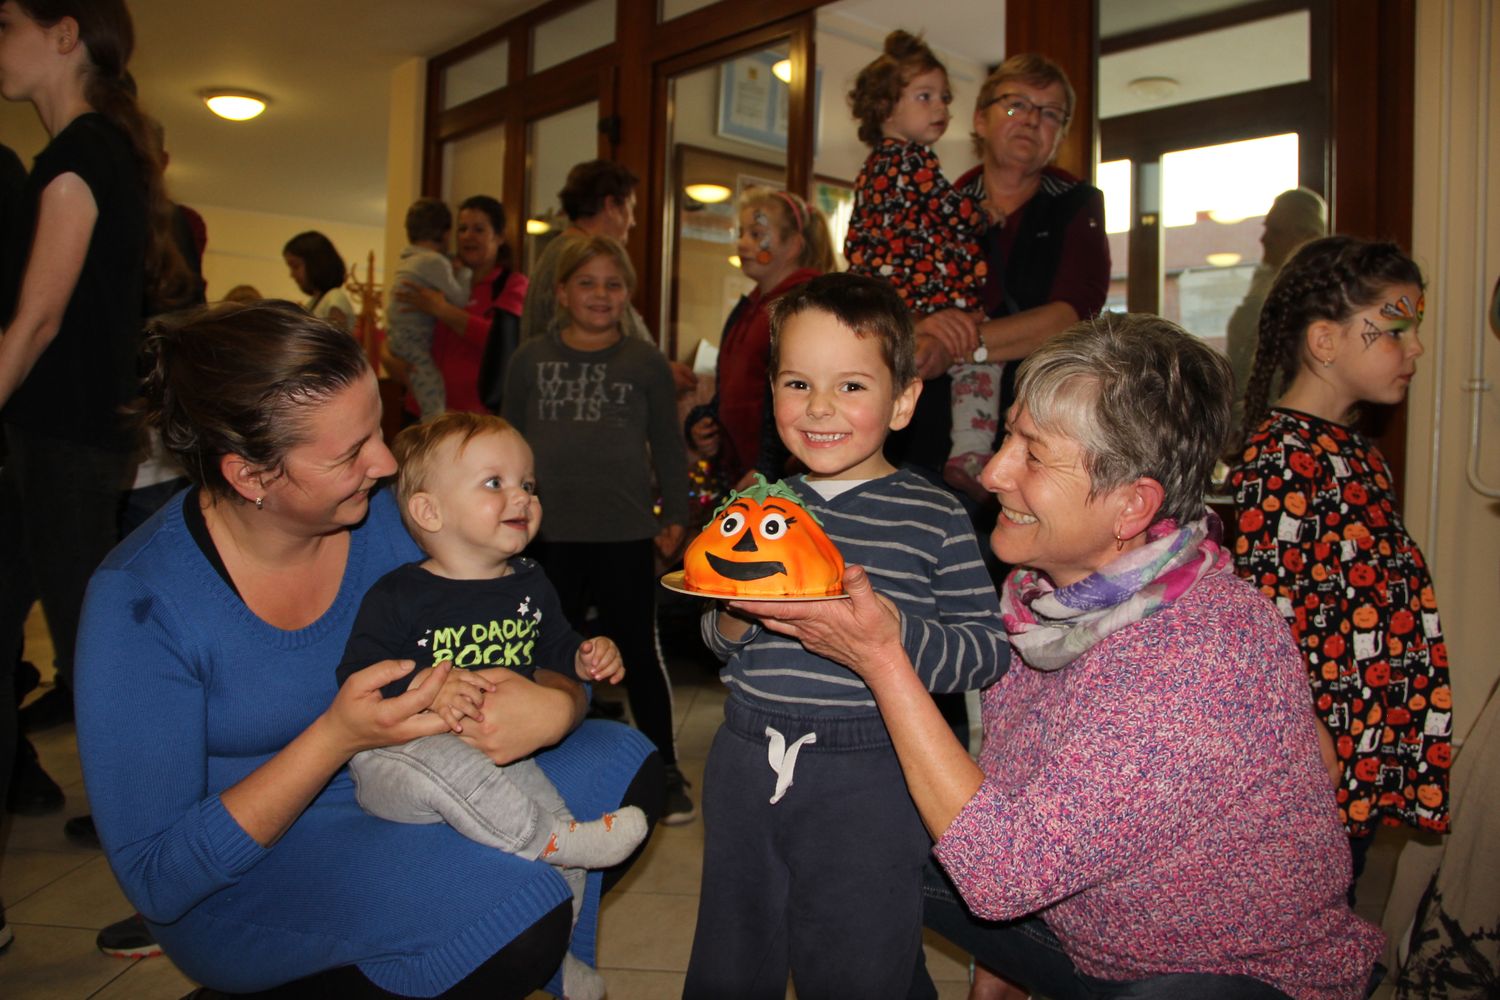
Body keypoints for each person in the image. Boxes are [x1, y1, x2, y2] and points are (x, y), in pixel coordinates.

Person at [739, 313, 1384, 999]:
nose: (993, 472)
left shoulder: (1195, 657)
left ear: (1132, 505)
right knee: (854, 828)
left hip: (1230, 973)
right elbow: (1003, 799)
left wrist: (882, 658)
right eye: (1007, 436)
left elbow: (1002, 872)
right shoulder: (1046, 598)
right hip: (1086, 938)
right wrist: (1001, 976)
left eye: (1034, 456)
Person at [74, 301, 660, 997]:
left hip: (422, 788)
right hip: (249, 875)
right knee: (514, 916)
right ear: (250, 476)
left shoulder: (393, 517)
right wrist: (336, 737)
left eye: (378, 429)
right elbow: (157, 877)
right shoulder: (141, 603)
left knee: (624, 764)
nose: (385, 463)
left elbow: (530, 626)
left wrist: (560, 703)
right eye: (351, 453)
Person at [682, 273, 1009, 1000]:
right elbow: (716, 639)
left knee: (860, 957)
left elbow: (985, 651)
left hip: (873, 769)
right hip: (745, 753)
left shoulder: (935, 516)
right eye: (797, 383)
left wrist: (896, 634)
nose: (820, 407)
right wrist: (734, 615)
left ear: (903, 401)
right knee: (733, 951)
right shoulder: (757, 505)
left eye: (851, 386)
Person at [336, 412, 647, 1000]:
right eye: (494, 483)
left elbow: (554, 649)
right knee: (563, 834)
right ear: (429, 512)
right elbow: (357, 679)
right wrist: (428, 686)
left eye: (528, 484)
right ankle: (552, 839)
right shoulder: (399, 594)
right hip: (398, 762)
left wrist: (585, 657)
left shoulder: (530, 582)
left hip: (496, 761)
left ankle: (556, 956)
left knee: (565, 837)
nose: (522, 497)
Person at [2, 0, 189, 799]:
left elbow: (37, 321)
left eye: (6, 25)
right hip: (66, 434)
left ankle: (173, 830)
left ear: (64, 33)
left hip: (62, 435)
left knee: (94, 656)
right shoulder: (96, 149)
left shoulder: (80, 153)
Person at [1231, 236, 1450, 888]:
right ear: (1324, 340)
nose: (1415, 348)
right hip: (1322, 738)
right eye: (1395, 330)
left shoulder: (1358, 454)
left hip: (1365, 725)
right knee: (1309, 898)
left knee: (1343, 885)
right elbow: (1265, 613)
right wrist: (1308, 730)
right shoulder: (1281, 457)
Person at [502, 236, 695, 825]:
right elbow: (505, 445)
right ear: (561, 292)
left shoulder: (645, 362)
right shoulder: (529, 360)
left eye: (613, 284)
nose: (601, 294)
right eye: (587, 282)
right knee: (546, 651)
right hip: (545, 536)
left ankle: (664, 766)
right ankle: (541, 763)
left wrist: (676, 515)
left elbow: (668, 444)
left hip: (624, 532)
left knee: (637, 648)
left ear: (627, 294)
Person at [891, 53, 1109, 504]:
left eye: (1050, 113)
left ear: (1061, 133)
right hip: (928, 434)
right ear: (980, 119)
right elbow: (898, 298)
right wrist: (923, 327)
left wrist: (957, 343)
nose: (1031, 120)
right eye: (1016, 105)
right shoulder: (940, 202)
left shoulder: (1075, 204)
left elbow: (1072, 317)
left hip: (1036, 438)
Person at [845, 30, 998, 494]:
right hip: (926, 290)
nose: (940, 109)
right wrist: (983, 213)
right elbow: (951, 210)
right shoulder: (915, 161)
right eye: (925, 96)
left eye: (945, 98)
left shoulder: (872, 168)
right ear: (886, 108)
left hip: (892, 292)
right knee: (978, 362)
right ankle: (970, 452)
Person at [686, 187, 834, 489]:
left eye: (756, 234)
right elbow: (730, 389)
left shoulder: (804, 306)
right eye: (741, 233)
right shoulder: (748, 309)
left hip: (782, 478)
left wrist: (767, 467)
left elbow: (799, 392)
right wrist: (704, 420)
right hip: (742, 471)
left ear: (793, 245)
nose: (742, 243)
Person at [395, 194, 528, 415]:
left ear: (500, 236)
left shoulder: (513, 284)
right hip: (423, 413)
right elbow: (402, 329)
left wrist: (443, 310)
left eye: (478, 229)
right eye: (462, 229)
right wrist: (392, 359)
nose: (468, 236)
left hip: (477, 418)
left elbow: (499, 341)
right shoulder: (438, 275)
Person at [1224, 187, 1327, 431]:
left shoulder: (1314, 309)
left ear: (1307, 239)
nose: (1264, 239)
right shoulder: (1264, 286)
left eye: (1276, 231)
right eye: (1266, 228)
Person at [385, 198, 470, 421]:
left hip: (399, 337)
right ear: (445, 234)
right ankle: (433, 433)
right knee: (433, 398)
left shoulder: (409, 259)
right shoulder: (433, 261)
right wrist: (464, 272)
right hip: (413, 340)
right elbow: (460, 299)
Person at [283, 230, 354, 333]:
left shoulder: (334, 298)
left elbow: (335, 340)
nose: (292, 274)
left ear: (315, 264)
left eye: (296, 266)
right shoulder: (315, 301)